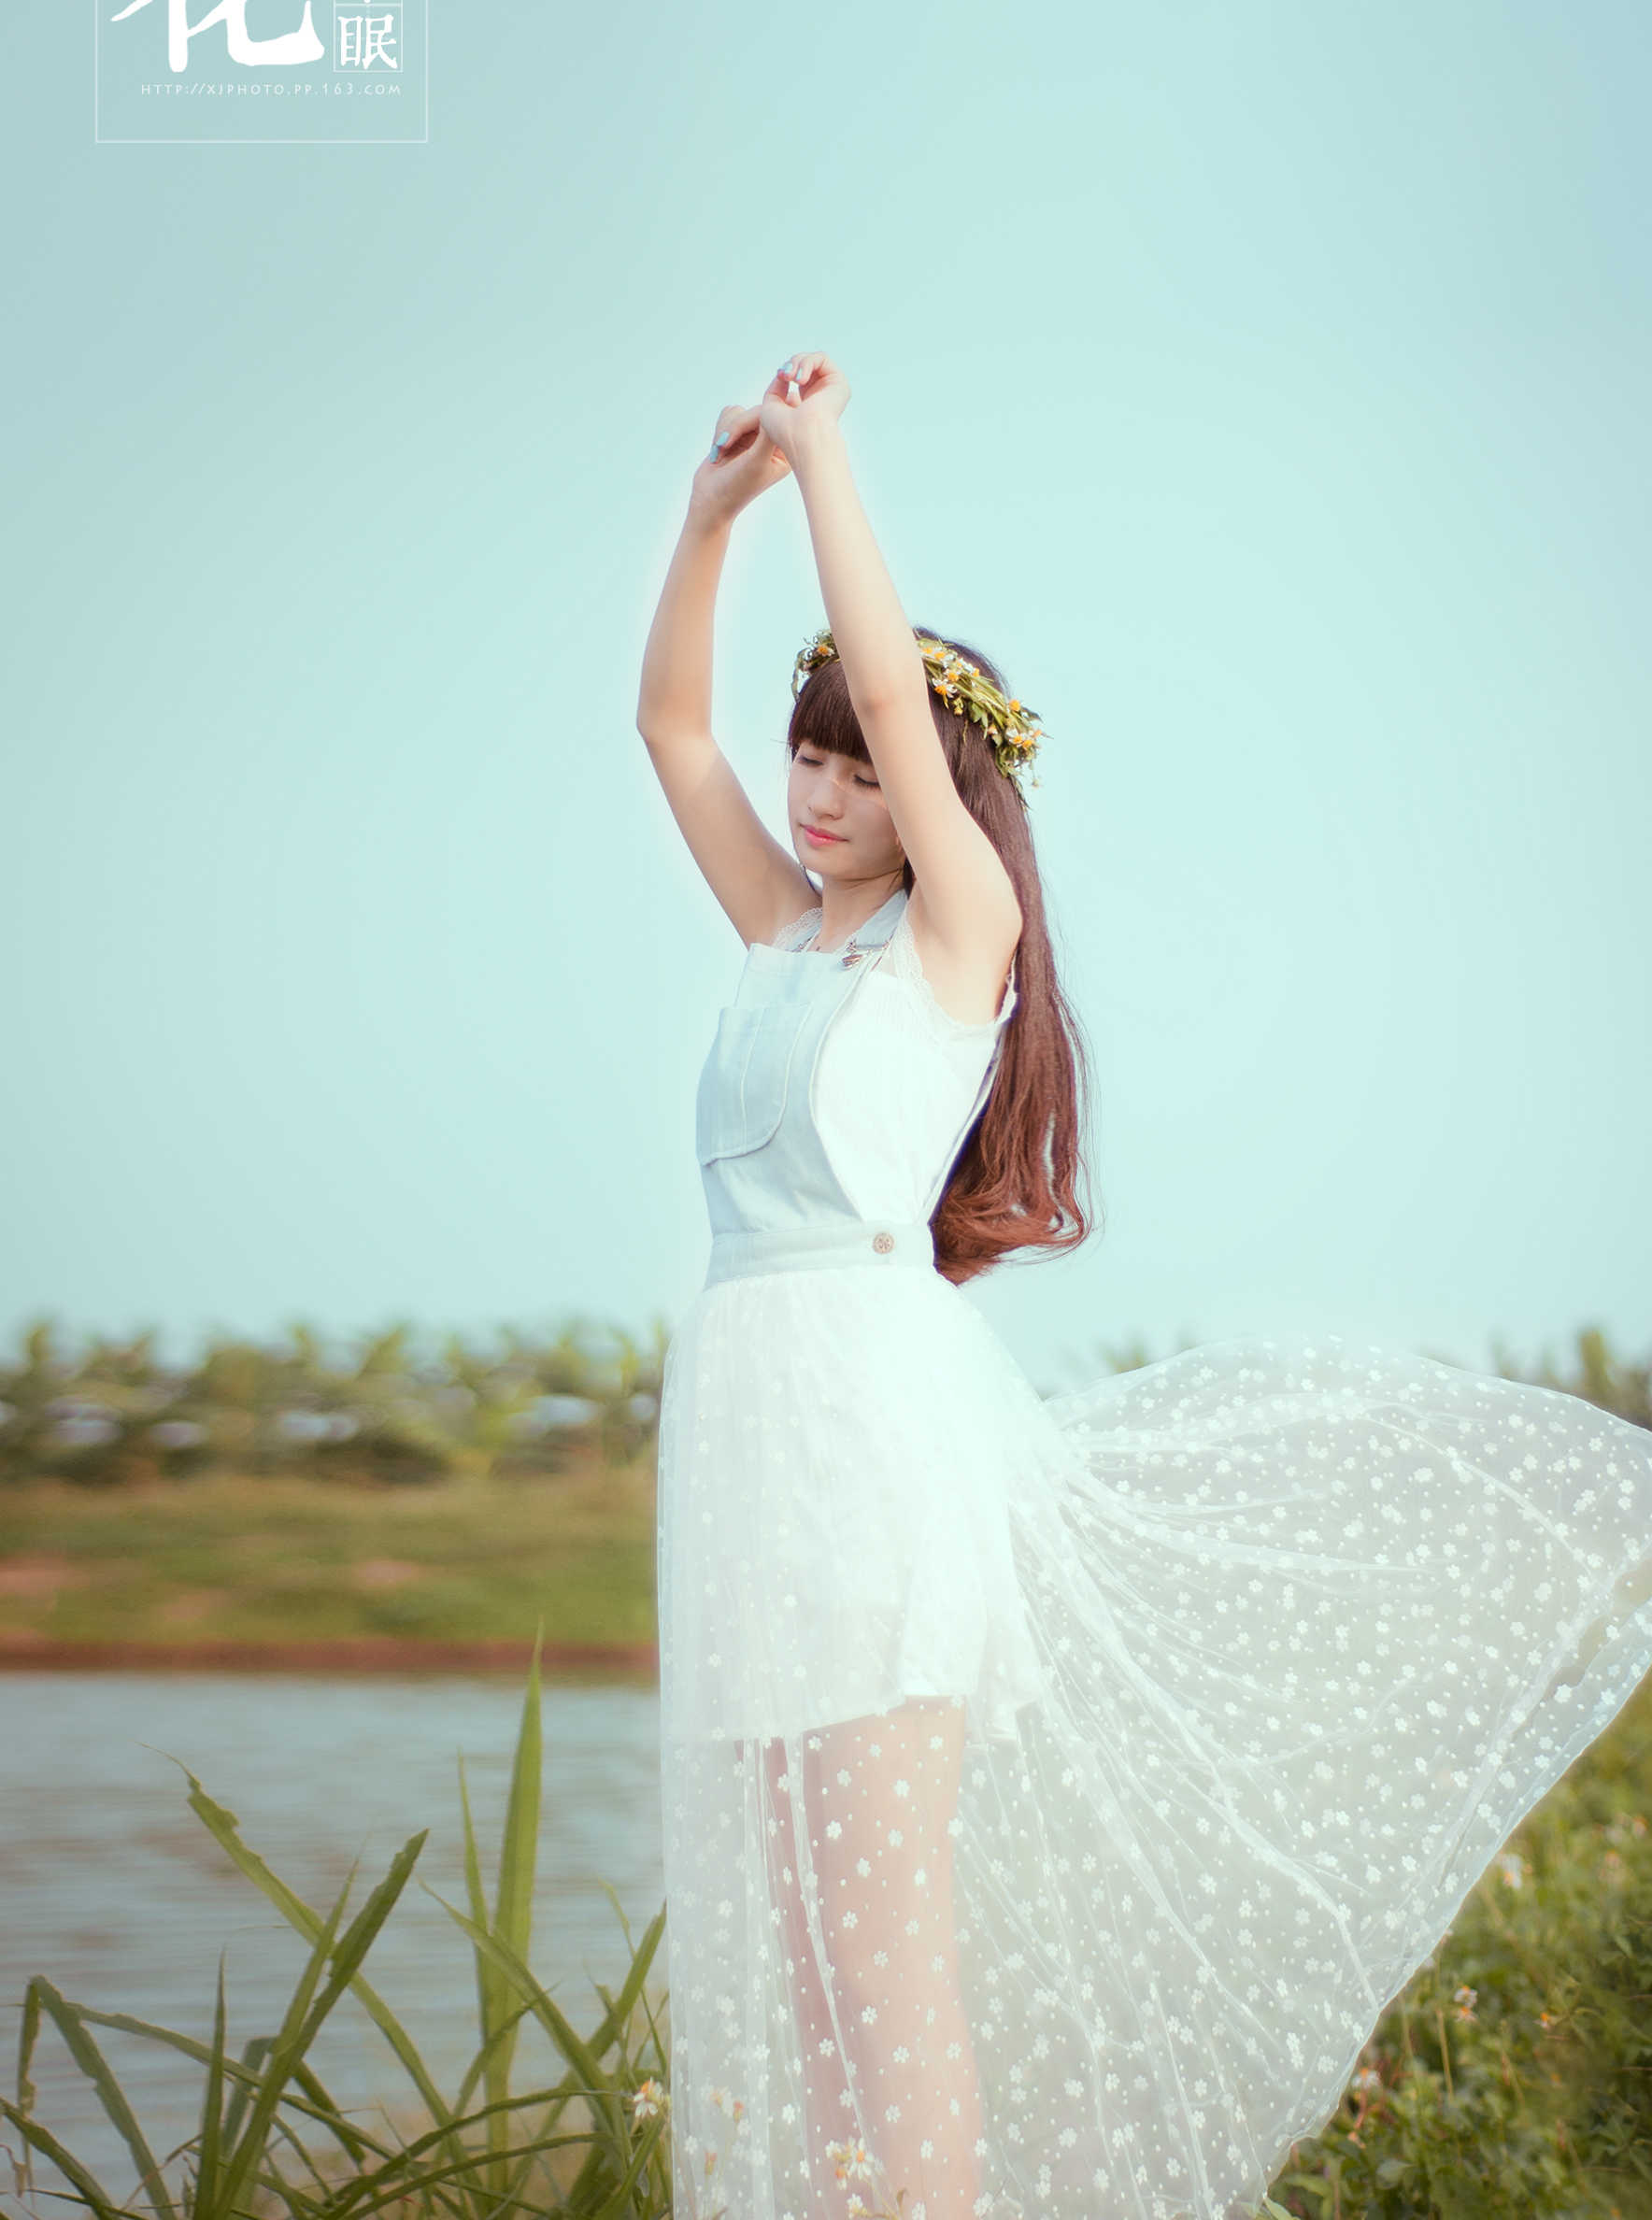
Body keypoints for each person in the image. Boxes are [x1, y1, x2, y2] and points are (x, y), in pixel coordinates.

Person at [634, 349, 1652, 2220]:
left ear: (941, 790)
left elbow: (877, 676)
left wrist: (826, 462)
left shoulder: (957, 932)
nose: (821, 783)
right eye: (814, 753)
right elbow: (672, 732)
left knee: (879, 1960)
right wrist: (707, 523)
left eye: (861, 758)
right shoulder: (784, 933)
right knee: (796, 1963)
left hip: (863, 1461)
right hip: (748, 1465)